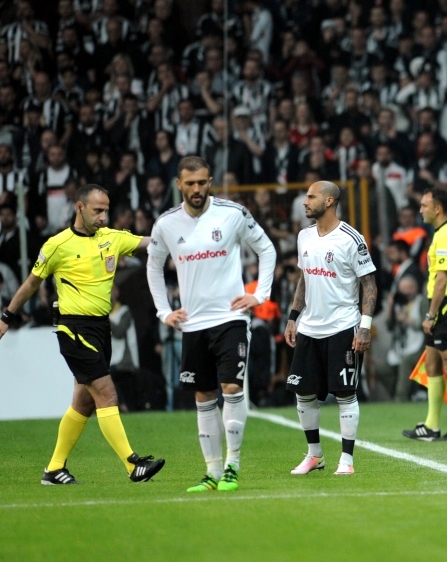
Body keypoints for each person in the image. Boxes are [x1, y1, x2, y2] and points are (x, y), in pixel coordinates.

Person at [0, 184, 165, 484]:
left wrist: (178, 235)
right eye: (97, 211)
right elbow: (32, 283)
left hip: (100, 328)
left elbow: (149, 243)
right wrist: (7, 316)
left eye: (106, 211)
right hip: (74, 329)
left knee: (84, 403)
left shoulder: (111, 238)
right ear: (79, 207)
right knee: (107, 393)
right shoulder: (57, 244)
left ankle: (54, 469)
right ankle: (133, 466)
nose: (103, 217)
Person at [147, 156, 277, 492]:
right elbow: (153, 266)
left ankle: (232, 466)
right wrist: (163, 312)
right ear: (179, 184)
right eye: (190, 183)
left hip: (230, 317)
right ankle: (212, 472)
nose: (196, 189)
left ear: (210, 182)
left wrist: (259, 295)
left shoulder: (232, 214)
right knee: (203, 396)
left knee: (231, 388)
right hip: (193, 324)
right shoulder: (166, 224)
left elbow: (266, 248)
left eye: (202, 182)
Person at [284, 181, 377, 476]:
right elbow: (304, 278)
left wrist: (365, 328)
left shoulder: (352, 238)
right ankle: (315, 455)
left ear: (329, 201)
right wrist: (293, 316)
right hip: (309, 327)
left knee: (345, 394)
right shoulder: (304, 236)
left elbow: (369, 284)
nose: (305, 201)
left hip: (342, 326)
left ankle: (346, 460)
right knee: (303, 393)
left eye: (311, 196)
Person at [403, 188, 447, 442]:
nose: (420, 209)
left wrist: (431, 315)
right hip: (441, 308)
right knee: (432, 364)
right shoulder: (442, 233)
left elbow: (441, 280)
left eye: (424, 205)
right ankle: (432, 426)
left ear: (438, 208)